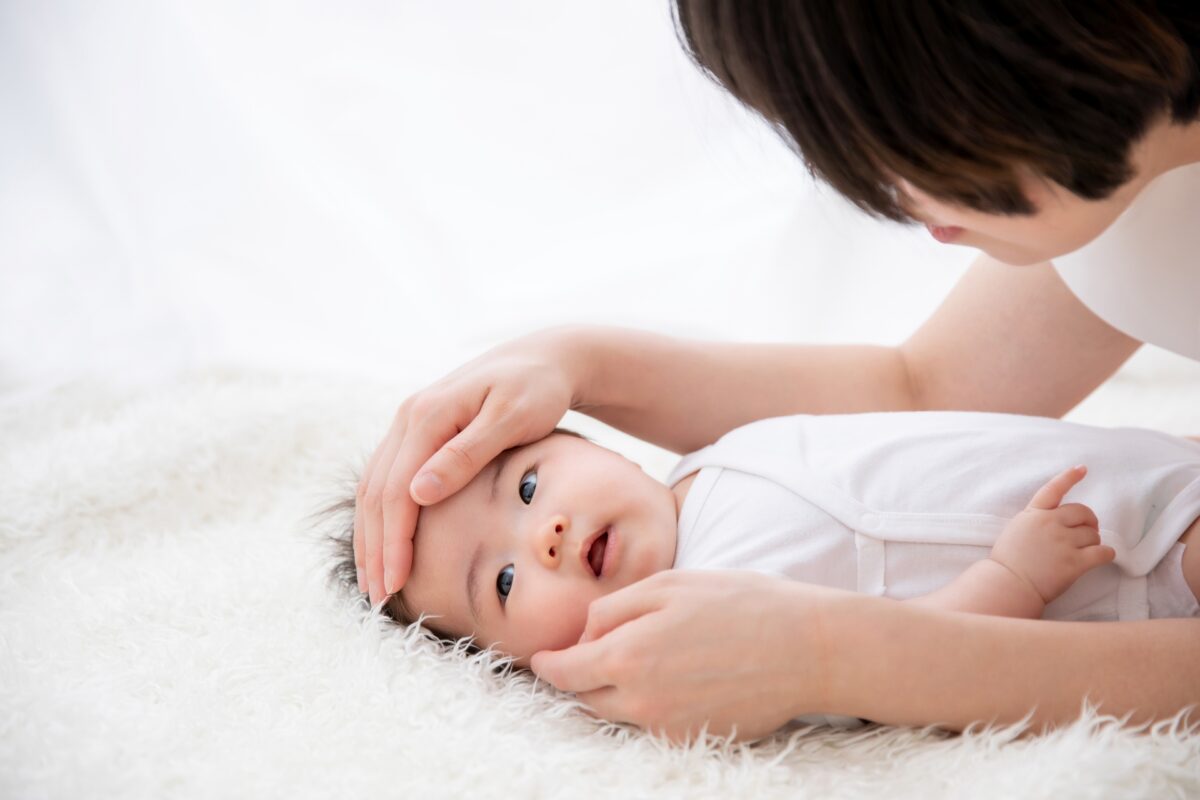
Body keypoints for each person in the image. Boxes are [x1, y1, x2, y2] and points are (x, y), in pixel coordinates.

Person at [354, 3, 1200, 739]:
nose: (890, 198)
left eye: (902, 137)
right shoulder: (1121, 208)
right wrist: (574, 361)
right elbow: (924, 393)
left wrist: (834, 657)